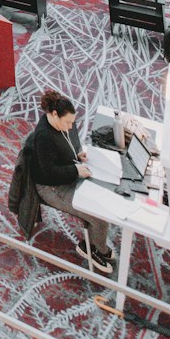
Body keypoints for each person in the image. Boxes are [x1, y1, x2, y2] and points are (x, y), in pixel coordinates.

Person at [30, 88, 112, 275]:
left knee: (100, 200)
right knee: (98, 215)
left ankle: (91, 244)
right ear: (54, 114)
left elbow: (70, 141)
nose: (70, 126)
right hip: (51, 187)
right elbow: (48, 173)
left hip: (67, 174)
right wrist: (75, 170)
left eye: (72, 122)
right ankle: (98, 250)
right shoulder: (44, 136)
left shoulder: (65, 122)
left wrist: (78, 152)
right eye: (67, 122)